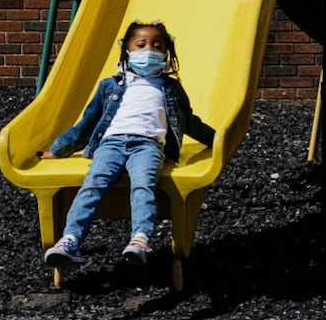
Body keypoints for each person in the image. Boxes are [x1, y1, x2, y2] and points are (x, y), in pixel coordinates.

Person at [41, 20, 214, 272]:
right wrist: (58, 149)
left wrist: (217, 140)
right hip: (110, 143)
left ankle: (140, 240)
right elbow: (87, 123)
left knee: (143, 184)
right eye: (141, 45)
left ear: (166, 52)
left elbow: (189, 121)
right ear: (128, 51)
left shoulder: (170, 88)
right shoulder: (110, 86)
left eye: (157, 46)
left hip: (148, 145)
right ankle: (70, 241)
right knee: (93, 184)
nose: (149, 51)